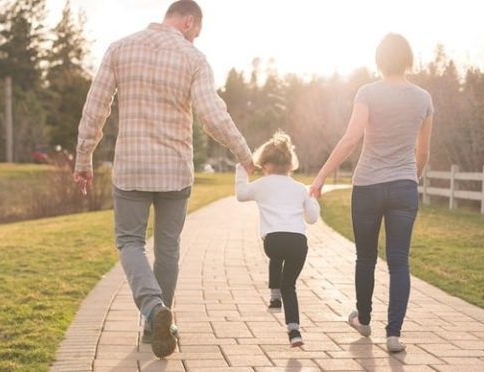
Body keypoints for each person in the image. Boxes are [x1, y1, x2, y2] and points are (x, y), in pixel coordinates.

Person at [72, 0, 254, 358]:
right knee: (168, 249)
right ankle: (156, 324)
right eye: (196, 34)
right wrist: (244, 154)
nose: (195, 40)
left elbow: (95, 109)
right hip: (174, 171)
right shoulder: (193, 59)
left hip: (132, 169)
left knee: (130, 242)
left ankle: (154, 312)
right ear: (188, 22)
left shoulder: (119, 48)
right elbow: (213, 116)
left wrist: (83, 158)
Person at [310, 33, 435, 353]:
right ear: (408, 59)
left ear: (379, 60)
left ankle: (363, 319)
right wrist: (411, 177)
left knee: (365, 257)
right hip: (404, 187)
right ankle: (393, 335)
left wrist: (321, 177)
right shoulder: (423, 98)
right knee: (399, 262)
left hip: (367, 186)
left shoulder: (368, 93)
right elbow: (424, 151)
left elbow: (351, 139)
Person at [235, 131, 320, 347]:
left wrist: (241, 169)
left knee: (277, 256)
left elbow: (241, 194)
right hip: (298, 244)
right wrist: (313, 198)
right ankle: (294, 331)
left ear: (263, 164)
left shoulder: (262, 184)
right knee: (289, 285)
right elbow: (312, 219)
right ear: (291, 166)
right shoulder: (300, 188)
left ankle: (275, 297)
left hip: (273, 242)